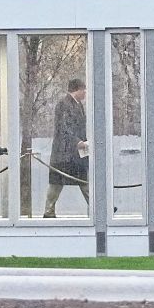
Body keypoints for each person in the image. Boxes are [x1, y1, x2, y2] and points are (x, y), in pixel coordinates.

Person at [43, 78, 89, 218]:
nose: (85, 93)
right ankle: (48, 211)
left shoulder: (78, 105)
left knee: (83, 181)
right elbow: (64, 127)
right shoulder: (64, 105)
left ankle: (49, 211)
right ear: (77, 89)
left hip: (74, 153)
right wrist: (77, 142)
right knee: (57, 182)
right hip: (64, 153)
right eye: (83, 90)